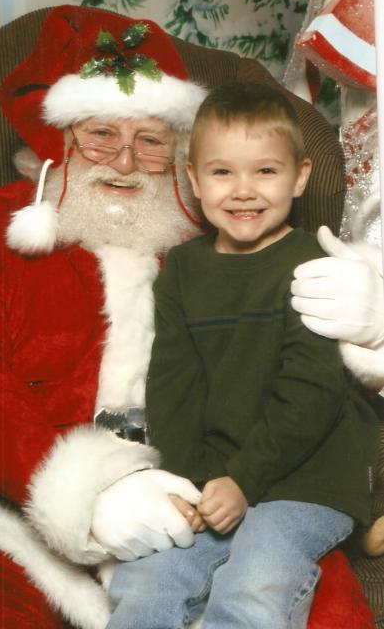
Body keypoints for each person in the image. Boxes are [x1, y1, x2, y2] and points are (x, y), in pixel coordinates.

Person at [0, 3, 377, 629]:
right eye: (100, 135)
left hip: (218, 491)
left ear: (179, 154)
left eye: (149, 141)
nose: (123, 162)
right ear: (59, 138)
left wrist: (376, 329)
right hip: (20, 515)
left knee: (313, 607)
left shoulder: (221, 236)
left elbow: (307, 377)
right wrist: (86, 491)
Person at [106, 82, 378, 629]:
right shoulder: (181, 271)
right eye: (223, 172)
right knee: (146, 582)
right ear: (193, 178)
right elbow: (173, 388)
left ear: (299, 177)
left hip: (308, 476)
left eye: (265, 172)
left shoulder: (312, 265)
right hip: (217, 477)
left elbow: (311, 394)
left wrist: (244, 481)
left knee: (254, 583)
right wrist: (190, 485)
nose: (243, 191)